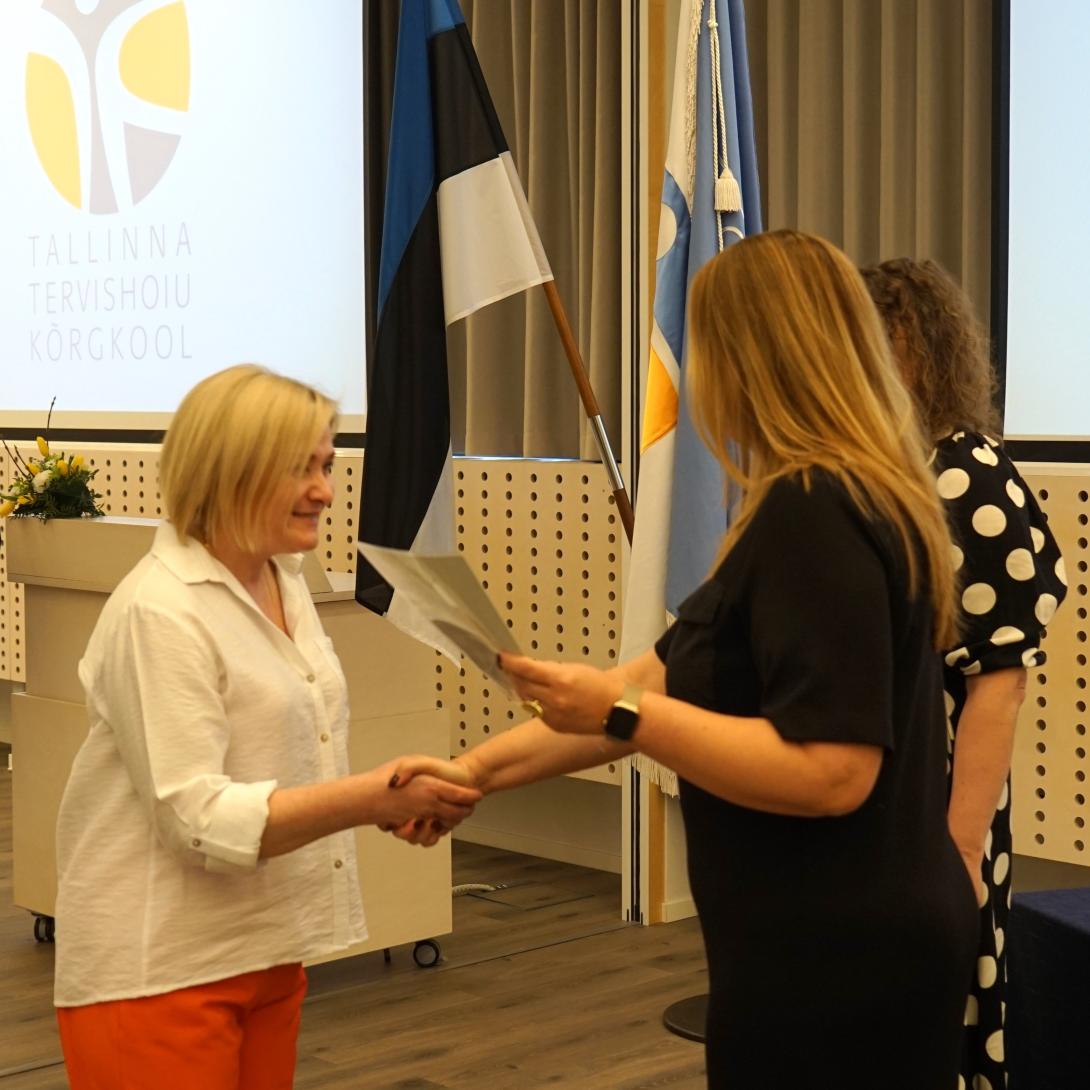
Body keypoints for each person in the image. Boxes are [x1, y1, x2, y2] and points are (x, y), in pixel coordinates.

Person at [394, 231, 979, 1089]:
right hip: (829, 945)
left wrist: (625, 714)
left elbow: (832, 772)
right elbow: (645, 687)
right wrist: (470, 774)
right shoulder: (827, 499)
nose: (696, 377)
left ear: (754, 359)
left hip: (837, 962)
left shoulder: (816, 510)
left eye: (703, 349)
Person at [53, 365, 481, 1090]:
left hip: (268, 949)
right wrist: (371, 798)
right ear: (228, 470)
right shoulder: (160, 610)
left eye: (325, 464)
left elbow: (289, 757)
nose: (326, 490)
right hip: (160, 970)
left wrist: (385, 800)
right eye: (299, 468)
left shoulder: (283, 578)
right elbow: (195, 819)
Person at [862, 257, 1067, 1089]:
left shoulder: (965, 472)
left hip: (941, 815)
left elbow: (999, 679)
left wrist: (958, 852)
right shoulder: (903, 467)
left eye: (882, 345)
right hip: (895, 807)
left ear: (925, 351)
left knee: (937, 1028)